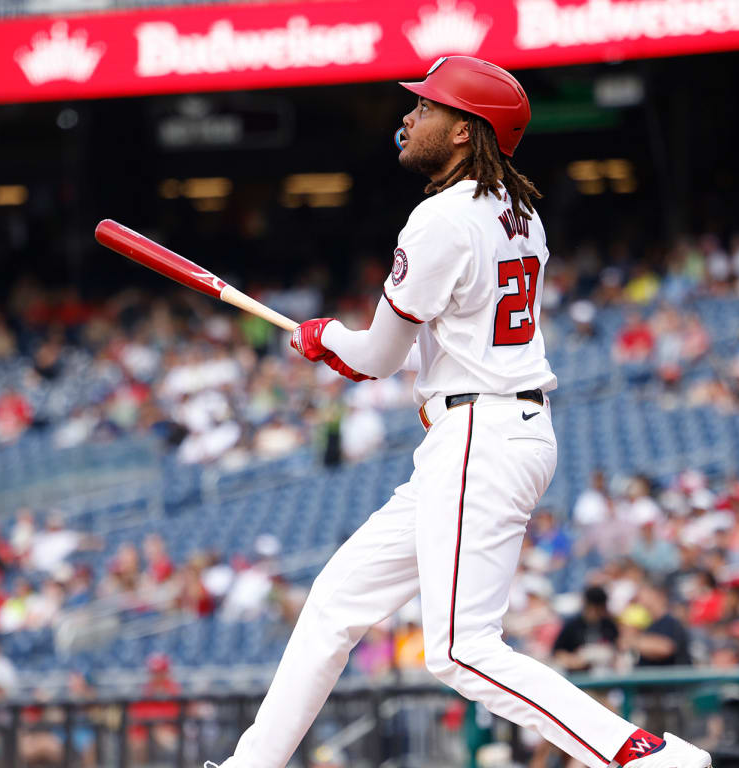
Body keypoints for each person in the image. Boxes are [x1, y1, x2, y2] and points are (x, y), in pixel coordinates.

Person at [209, 56, 709, 768]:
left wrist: (327, 341)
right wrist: (333, 343)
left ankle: (646, 757)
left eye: (426, 107)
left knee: (460, 650)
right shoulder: (521, 211)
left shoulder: (439, 217)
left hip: (482, 432)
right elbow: (444, 349)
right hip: (493, 424)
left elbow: (379, 358)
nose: (408, 117)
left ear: (462, 133)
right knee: (335, 602)